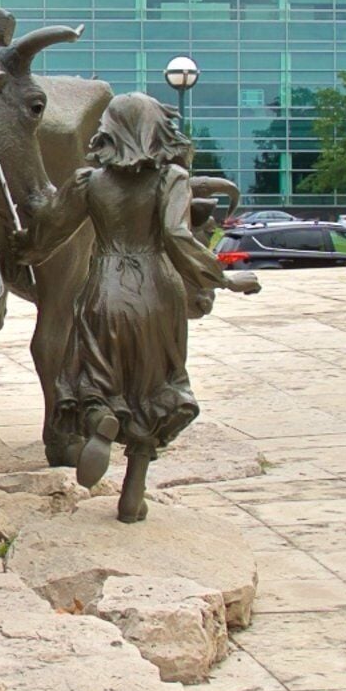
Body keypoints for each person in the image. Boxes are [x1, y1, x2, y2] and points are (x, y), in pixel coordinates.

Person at [26, 92, 257, 522]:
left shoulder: (89, 182)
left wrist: (24, 242)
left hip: (103, 287)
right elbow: (178, 237)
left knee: (96, 372)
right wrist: (222, 277)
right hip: (157, 290)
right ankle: (132, 493)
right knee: (155, 386)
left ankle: (100, 420)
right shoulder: (171, 179)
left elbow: (50, 232)